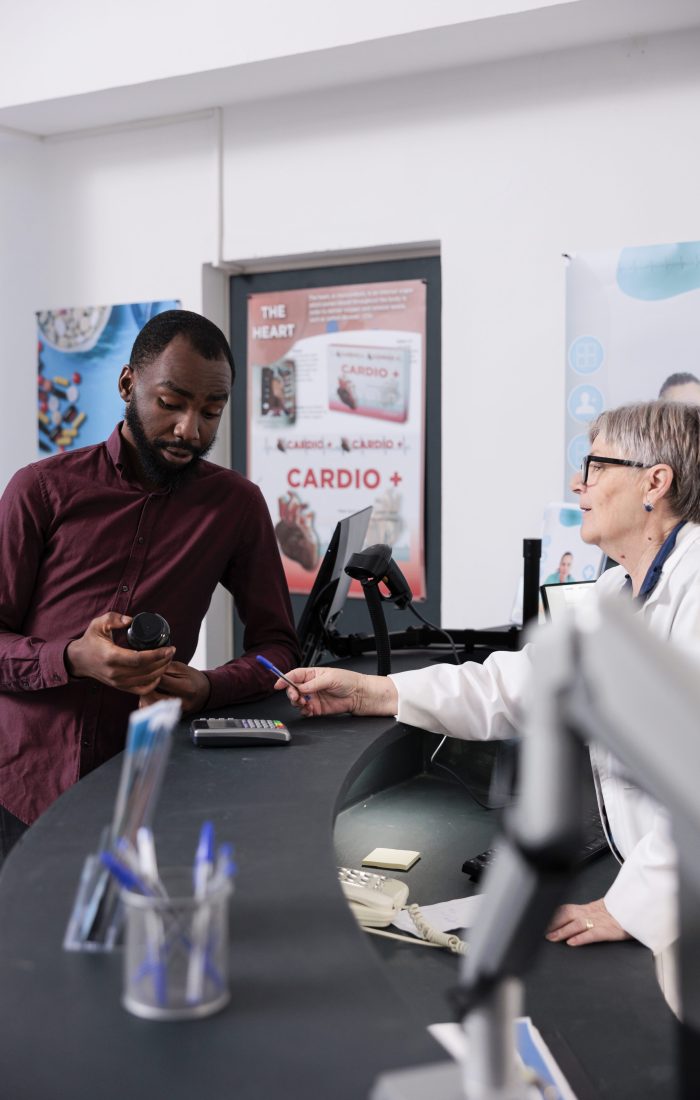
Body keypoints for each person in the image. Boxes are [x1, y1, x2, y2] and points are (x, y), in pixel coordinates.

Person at [277, 400, 700, 1015]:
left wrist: (630, 905)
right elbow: (521, 687)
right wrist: (377, 692)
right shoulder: (618, 590)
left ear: (654, 483)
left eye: (594, 464)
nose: (577, 484)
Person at [0, 309, 299, 858]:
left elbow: (279, 647)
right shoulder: (39, 491)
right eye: (171, 404)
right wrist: (71, 658)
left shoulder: (236, 506)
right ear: (126, 384)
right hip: (22, 790)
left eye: (212, 411)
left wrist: (209, 687)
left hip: (148, 788)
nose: (192, 430)